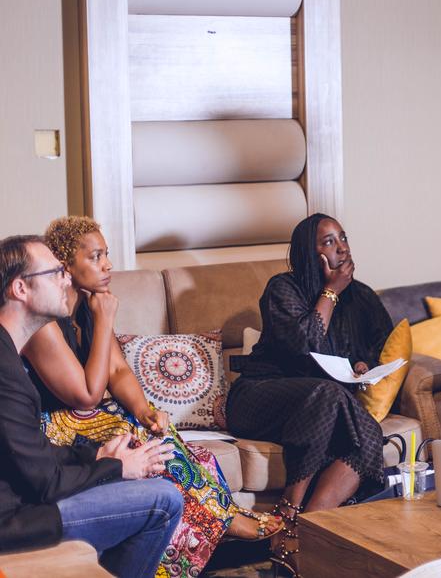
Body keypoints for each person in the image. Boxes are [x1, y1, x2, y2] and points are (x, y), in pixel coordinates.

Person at [21, 217, 282, 578]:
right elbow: (86, 395)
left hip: (90, 415)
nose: (108, 265)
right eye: (96, 257)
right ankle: (224, 520)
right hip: (57, 428)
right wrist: (106, 323)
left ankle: (201, 537)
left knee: (171, 441)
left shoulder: (93, 304)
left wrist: (146, 410)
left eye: (107, 255)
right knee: (147, 445)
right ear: (65, 265)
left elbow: (118, 371)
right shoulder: (45, 321)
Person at [0, 234, 182, 578]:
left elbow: (33, 454)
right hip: (14, 521)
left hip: (23, 501)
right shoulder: (4, 368)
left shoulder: (7, 353)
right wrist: (116, 468)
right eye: (54, 273)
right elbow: (46, 483)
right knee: (163, 499)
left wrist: (96, 456)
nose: (65, 278)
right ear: (20, 289)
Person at [226, 213, 388, 576]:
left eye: (343, 237)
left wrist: (363, 364)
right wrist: (331, 291)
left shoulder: (360, 297)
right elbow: (306, 343)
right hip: (259, 396)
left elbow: (380, 343)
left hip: (323, 404)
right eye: (329, 241)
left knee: (369, 436)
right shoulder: (283, 288)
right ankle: (288, 511)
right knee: (328, 395)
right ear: (309, 253)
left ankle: (305, 533)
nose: (341, 246)